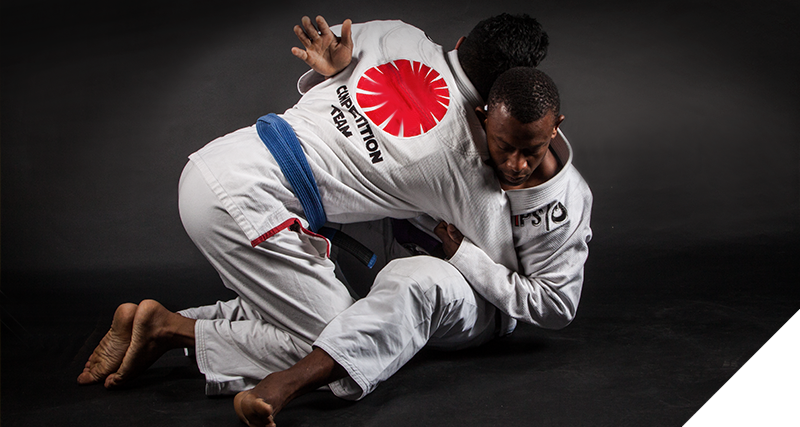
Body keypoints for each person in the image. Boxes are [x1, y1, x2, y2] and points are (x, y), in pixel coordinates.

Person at [77, 14, 551, 392]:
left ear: (463, 41)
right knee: (339, 346)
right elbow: (505, 268)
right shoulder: (464, 163)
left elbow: (328, 71)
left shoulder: (397, 33)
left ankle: (154, 324)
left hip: (223, 159)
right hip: (249, 203)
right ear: (507, 90)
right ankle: (171, 332)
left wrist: (340, 71)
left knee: (318, 315)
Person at [233, 66, 593, 427]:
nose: (516, 164)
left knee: (417, 281)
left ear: (555, 127)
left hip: (480, 303)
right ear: (483, 119)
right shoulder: (459, 133)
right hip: (398, 243)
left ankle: (287, 385)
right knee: (333, 232)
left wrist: (465, 256)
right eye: (504, 146)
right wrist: (339, 70)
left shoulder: (567, 203)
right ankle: (206, 329)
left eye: (532, 150)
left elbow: (557, 305)